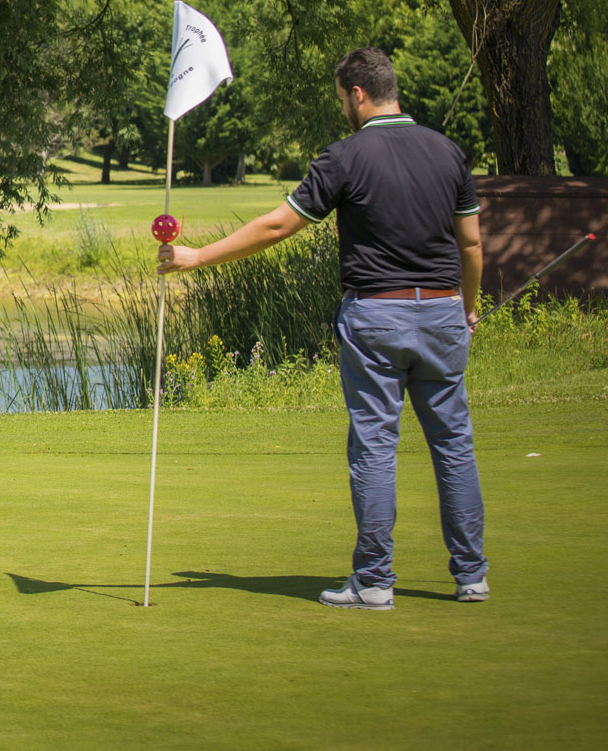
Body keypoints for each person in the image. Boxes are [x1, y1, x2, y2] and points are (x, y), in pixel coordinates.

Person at [156, 47, 489, 609]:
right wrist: (469, 307)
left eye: (341, 99)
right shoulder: (448, 152)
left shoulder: (344, 157)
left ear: (357, 94)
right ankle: (471, 576)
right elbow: (472, 244)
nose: (343, 108)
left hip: (376, 316)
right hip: (442, 311)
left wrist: (197, 257)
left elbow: (278, 223)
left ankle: (376, 582)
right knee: (453, 444)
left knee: (376, 448)